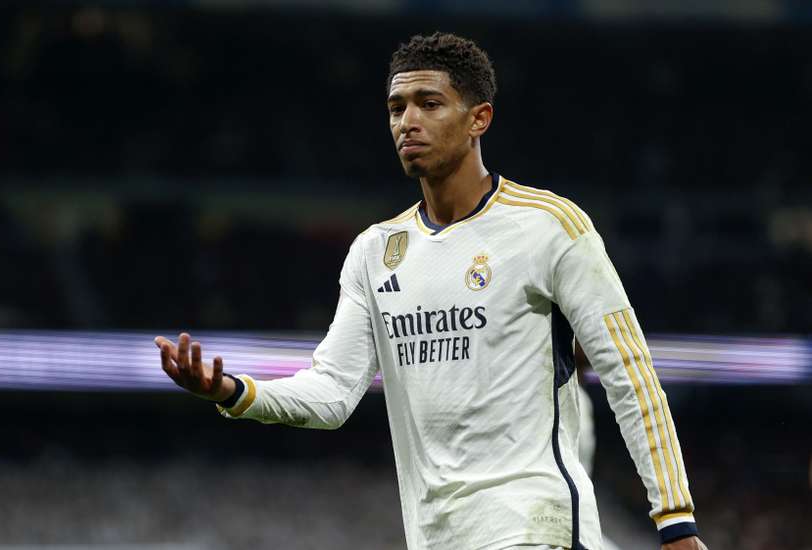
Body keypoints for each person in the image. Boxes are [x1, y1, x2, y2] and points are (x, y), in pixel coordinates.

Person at [155, 32, 707, 550]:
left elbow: (630, 374)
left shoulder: (549, 226)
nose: (407, 122)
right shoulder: (376, 251)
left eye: (429, 104)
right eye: (397, 108)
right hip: (436, 534)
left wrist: (674, 519)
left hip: (535, 527)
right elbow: (330, 393)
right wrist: (232, 391)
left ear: (479, 119)